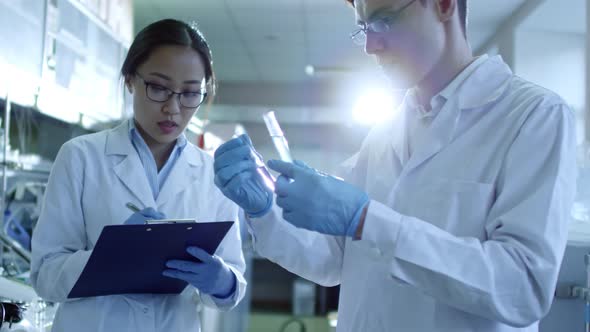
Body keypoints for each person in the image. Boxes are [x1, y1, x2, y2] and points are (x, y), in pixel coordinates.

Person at [213, 0, 577, 331]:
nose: (371, 46)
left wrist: (368, 221)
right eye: (363, 28)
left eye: (384, 21)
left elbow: (523, 288)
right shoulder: (384, 133)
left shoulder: (533, 116)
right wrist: (264, 209)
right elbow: (330, 261)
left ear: (444, 5)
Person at [31, 19, 246, 331]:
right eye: (158, 88)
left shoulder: (211, 174)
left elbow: (232, 286)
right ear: (131, 79)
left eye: (189, 94)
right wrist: (109, 257)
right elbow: (44, 275)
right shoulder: (80, 157)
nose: (173, 108)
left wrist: (223, 281)